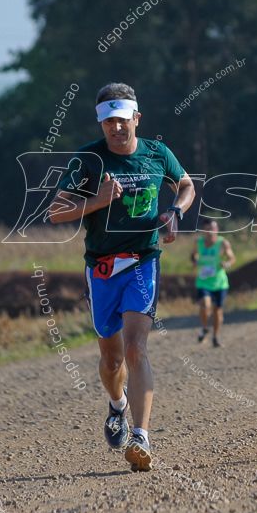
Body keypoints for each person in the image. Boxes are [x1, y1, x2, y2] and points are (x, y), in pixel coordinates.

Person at [48, 82, 195, 472]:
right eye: (108, 121)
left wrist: (175, 212)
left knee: (135, 348)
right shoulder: (87, 160)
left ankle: (141, 436)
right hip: (101, 268)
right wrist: (97, 200)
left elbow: (185, 185)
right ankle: (118, 405)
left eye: (121, 119)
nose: (115, 127)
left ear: (136, 118)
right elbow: (55, 212)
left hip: (143, 260)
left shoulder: (156, 153)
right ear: (101, 122)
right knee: (112, 362)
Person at [191, 220, 235, 348]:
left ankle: (216, 337)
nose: (210, 231)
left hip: (219, 282)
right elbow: (194, 255)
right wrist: (195, 260)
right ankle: (205, 327)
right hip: (203, 281)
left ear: (217, 229)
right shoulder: (198, 242)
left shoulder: (223, 243)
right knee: (205, 305)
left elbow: (232, 257)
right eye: (207, 229)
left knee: (218, 311)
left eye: (212, 229)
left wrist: (227, 263)